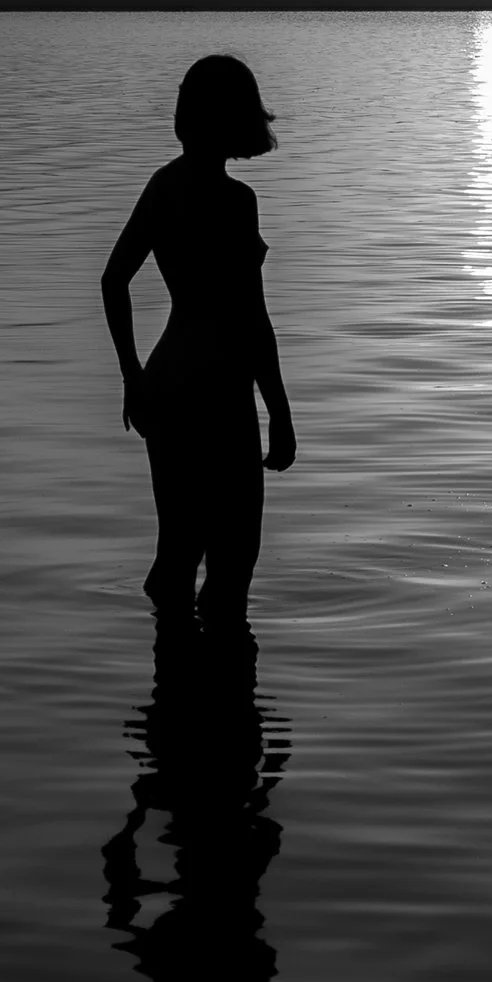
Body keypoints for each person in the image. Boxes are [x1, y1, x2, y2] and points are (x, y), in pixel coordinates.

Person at [101, 54, 296, 628]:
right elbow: (253, 320)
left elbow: (115, 280)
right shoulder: (234, 203)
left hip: (176, 385)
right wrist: (279, 412)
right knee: (227, 559)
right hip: (212, 392)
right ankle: (215, 694)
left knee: (184, 549)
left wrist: (135, 377)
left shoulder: (169, 188)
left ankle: (177, 690)